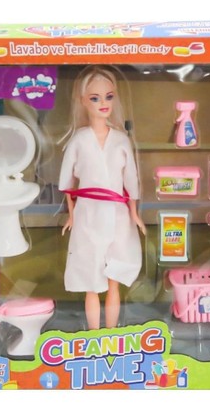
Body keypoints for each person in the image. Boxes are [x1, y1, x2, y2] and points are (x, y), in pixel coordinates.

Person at [59, 66, 145, 329]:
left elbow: (131, 179)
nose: (103, 103)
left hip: (118, 213)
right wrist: (71, 215)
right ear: (83, 101)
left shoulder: (120, 140)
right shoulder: (79, 140)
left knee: (114, 278)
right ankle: (94, 335)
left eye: (108, 96)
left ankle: (111, 333)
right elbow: (67, 182)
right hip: (88, 213)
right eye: (95, 98)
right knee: (91, 277)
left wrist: (134, 213)